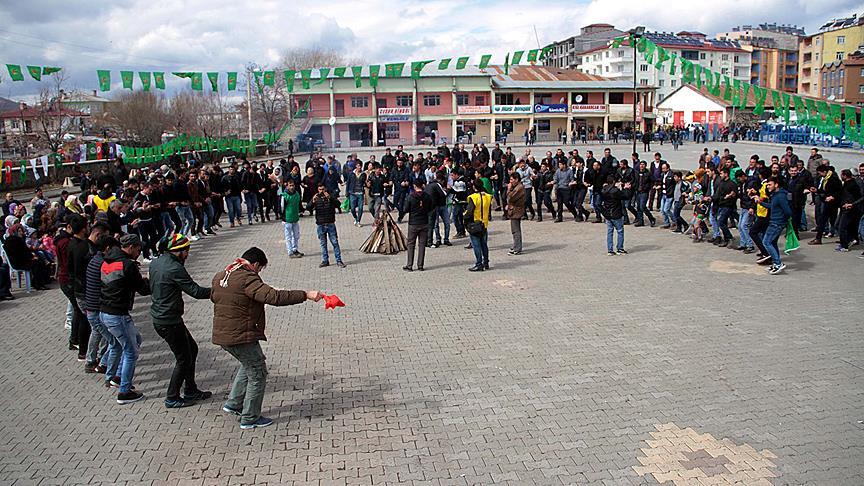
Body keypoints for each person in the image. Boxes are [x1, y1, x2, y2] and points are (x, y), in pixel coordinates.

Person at [210, 247, 322, 429]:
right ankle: (250, 417)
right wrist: (305, 295)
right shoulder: (247, 278)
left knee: (249, 364)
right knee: (257, 372)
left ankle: (234, 403)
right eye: (260, 268)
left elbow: (217, 297)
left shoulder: (222, 275)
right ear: (255, 264)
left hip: (223, 333)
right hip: (240, 335)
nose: (260, 272)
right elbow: (274, 297)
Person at [148, 234, 212, 408]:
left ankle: (190, 389)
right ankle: (172, 397)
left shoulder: (156, 262)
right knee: (183, 358)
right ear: (179, 251)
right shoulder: (175, 268)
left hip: (163, 318)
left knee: (192, 349)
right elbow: (196, 292)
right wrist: (218, 291)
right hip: (168, 321)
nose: (188, 254)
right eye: (186, 251)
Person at [100, 234, 150, 404]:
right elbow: (143, 289)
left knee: (136, 339)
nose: (139, 252)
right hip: (117, 314)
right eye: (138, 248)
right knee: (131, 351)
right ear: (130, 247)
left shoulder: (107, 261)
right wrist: (152, 280)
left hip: (105, 311)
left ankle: (118, 377)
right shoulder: (127, 265)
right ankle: (124, 391)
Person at [757, 176, 792, 274]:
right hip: (775, 222)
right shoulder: (775, 195)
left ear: (776, 185)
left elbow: (788, 211)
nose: (768, 186)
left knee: (766, 242)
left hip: (777, 223)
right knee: (772, 242)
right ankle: (776, 262)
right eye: (767, 185)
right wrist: (760, 202)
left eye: (770, 184)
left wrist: (783, 220)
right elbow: (772, 206)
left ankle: (778, 263)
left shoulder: (780, 196)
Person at [312, 184, 345, 268]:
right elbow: (308, 208)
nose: (321, 191)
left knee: (335, 242)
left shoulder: (330, 197)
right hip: (320, 224)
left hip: (330, 223)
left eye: (323, 189)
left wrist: (330, 198)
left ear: (325, 189)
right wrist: (312, 201)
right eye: (320, 189)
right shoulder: (316, 198)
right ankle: (325, 260)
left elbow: (338, 204)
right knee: (323, 244)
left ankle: (339, 260)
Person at [403, 179, 432, 271]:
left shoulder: (410, 196)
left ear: (414, 186)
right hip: (424, 222)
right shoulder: (427, 196)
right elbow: (431, 207)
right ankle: (420, 265)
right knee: (422, 244)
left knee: (411, 244)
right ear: (422, 185)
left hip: (413, 223)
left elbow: (405, 209)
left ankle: (409, 265)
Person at [465, 179, 493, 272]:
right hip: (484, 223)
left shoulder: (473, 197)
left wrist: (464, 217)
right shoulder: (488, 196)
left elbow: (469, 212)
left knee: (476, 245)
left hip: (475, 224)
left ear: (474, 187)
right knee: (484, 244)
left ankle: (479, 264)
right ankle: (486, 262)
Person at [600, 175, 632, 255]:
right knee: (620, 231)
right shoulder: (615, 191)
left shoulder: (604, 190)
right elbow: (626, 196)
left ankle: (610, 250)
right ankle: (620, 248)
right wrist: (626, 188)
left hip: (607, 213)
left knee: (610, 232)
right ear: (614, 181)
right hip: (616, 213)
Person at [280, 179, 303, 258]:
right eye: (290, 185)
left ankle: (295, 249)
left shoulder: (297, 194)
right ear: (287, 186)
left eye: (293, 185)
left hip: (295, 218)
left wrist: (301, 210)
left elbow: (299, 203)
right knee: (288, 237)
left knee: (296, 235)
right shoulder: (284, 195)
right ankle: (290, 252)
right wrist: (283, 217)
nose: (292, 187)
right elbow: (281, 207)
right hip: (287, 219)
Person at [506, 172, 525, 255]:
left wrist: (509, 189)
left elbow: (511, 198)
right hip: (514, 210)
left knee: (516, 230)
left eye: (512, 179)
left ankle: (517, 248)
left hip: (516, 210)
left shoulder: (519, 188)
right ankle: (516, 246)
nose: (510, 181)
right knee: (514, 230)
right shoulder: (517, 187)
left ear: (516, 179)